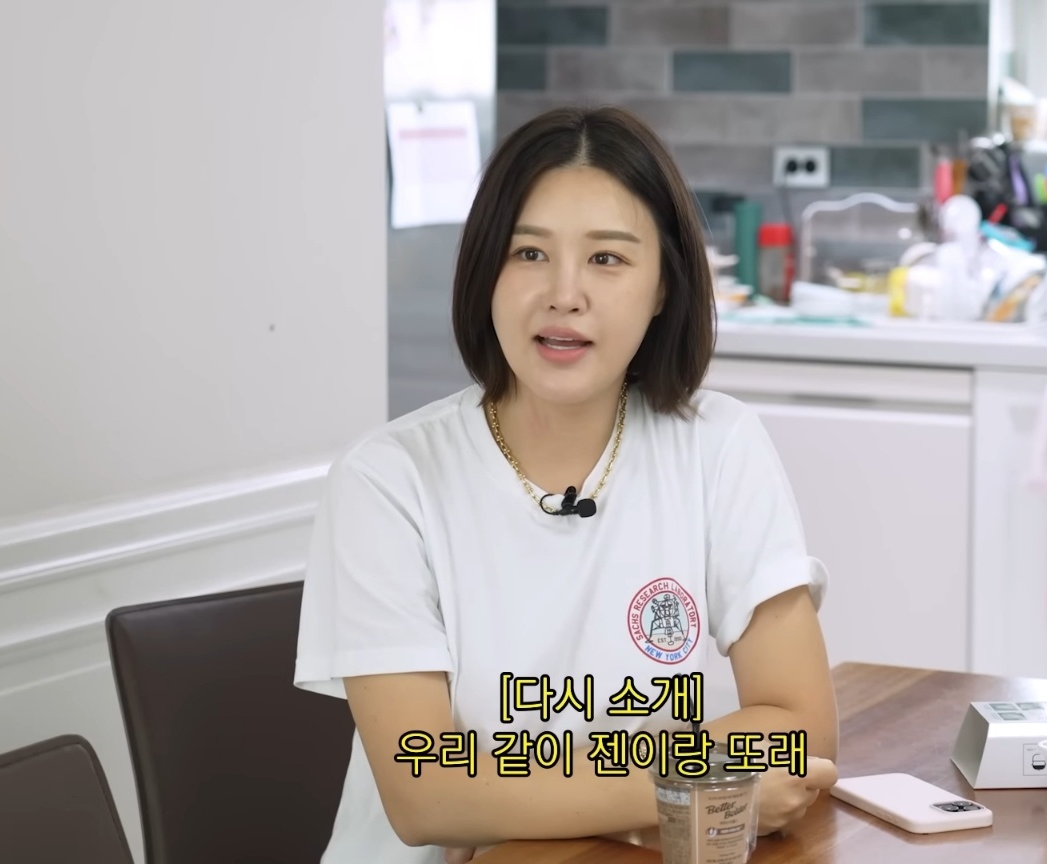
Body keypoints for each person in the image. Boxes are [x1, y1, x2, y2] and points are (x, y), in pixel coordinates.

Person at [294, 104, 839, 863]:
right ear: (485, 274)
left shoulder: (717, 445)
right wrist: (684, 783)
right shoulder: (386, 481)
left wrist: (519, 798)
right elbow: (427, 793)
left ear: (663, 287)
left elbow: (798, 730)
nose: (564, 293)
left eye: (607, 258)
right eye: (528, 253)